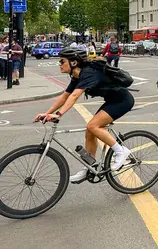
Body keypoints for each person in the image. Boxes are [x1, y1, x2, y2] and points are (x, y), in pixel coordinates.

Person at [34, 48, 134, 183]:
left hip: (122, 101)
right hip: (111, 101)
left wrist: (59, 114)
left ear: (74, 62)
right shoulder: (76, 76)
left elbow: (75, 96)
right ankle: (89, 167)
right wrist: (47, 113)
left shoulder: (88, 73)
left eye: (62, 61)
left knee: (93, 125)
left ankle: (121, 151)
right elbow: (65, 96)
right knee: (90, 131)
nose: (59, 64)